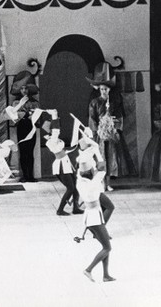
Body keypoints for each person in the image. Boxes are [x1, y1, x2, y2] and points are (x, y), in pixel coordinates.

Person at [87, 62, 136, 191]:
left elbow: (119, 116)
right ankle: (100, 182)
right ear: (99, 89)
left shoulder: (113, 102)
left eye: (106, 89)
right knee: (100, 158)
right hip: (99, 135)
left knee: (111, 158)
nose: (104, 91)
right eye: (102, 89)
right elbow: (92, 118)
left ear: (109, 90)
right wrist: (97, 130)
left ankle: (108, 183)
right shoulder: (94, 102)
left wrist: (115, 129)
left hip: (111, 134)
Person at [76, 151, 116, 283]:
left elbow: (87, 169)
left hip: (88, 216)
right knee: (107, 248)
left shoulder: (79, 181)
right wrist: (97, 149)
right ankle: (88, 270)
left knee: (105, 245)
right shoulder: (94, 183)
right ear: (91, 172)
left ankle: (106, 275)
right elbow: (102, 166)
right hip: (95, 218)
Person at [44, 110, 83, 216]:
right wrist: (54, 116)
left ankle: (76, 207)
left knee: (75, 186)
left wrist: (76, 126)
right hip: (60, 166)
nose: (58, 129)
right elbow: (56, 130)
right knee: (70, 188)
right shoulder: (51, 141)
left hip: (66, 164)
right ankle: (60, 210)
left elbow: (71, 146)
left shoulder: (55, 140)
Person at [11, 70, 40, 182]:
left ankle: (31, 175)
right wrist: (22, 108)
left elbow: (38, 116)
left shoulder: (35, 102)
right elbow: (14, 116)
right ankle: (24, 175)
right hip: (21, 127)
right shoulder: (15, 103)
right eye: (22, 88)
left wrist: (32, 115)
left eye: (26, 88)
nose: (24, 90)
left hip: (31, 127)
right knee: (23, 151)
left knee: (30, 151)